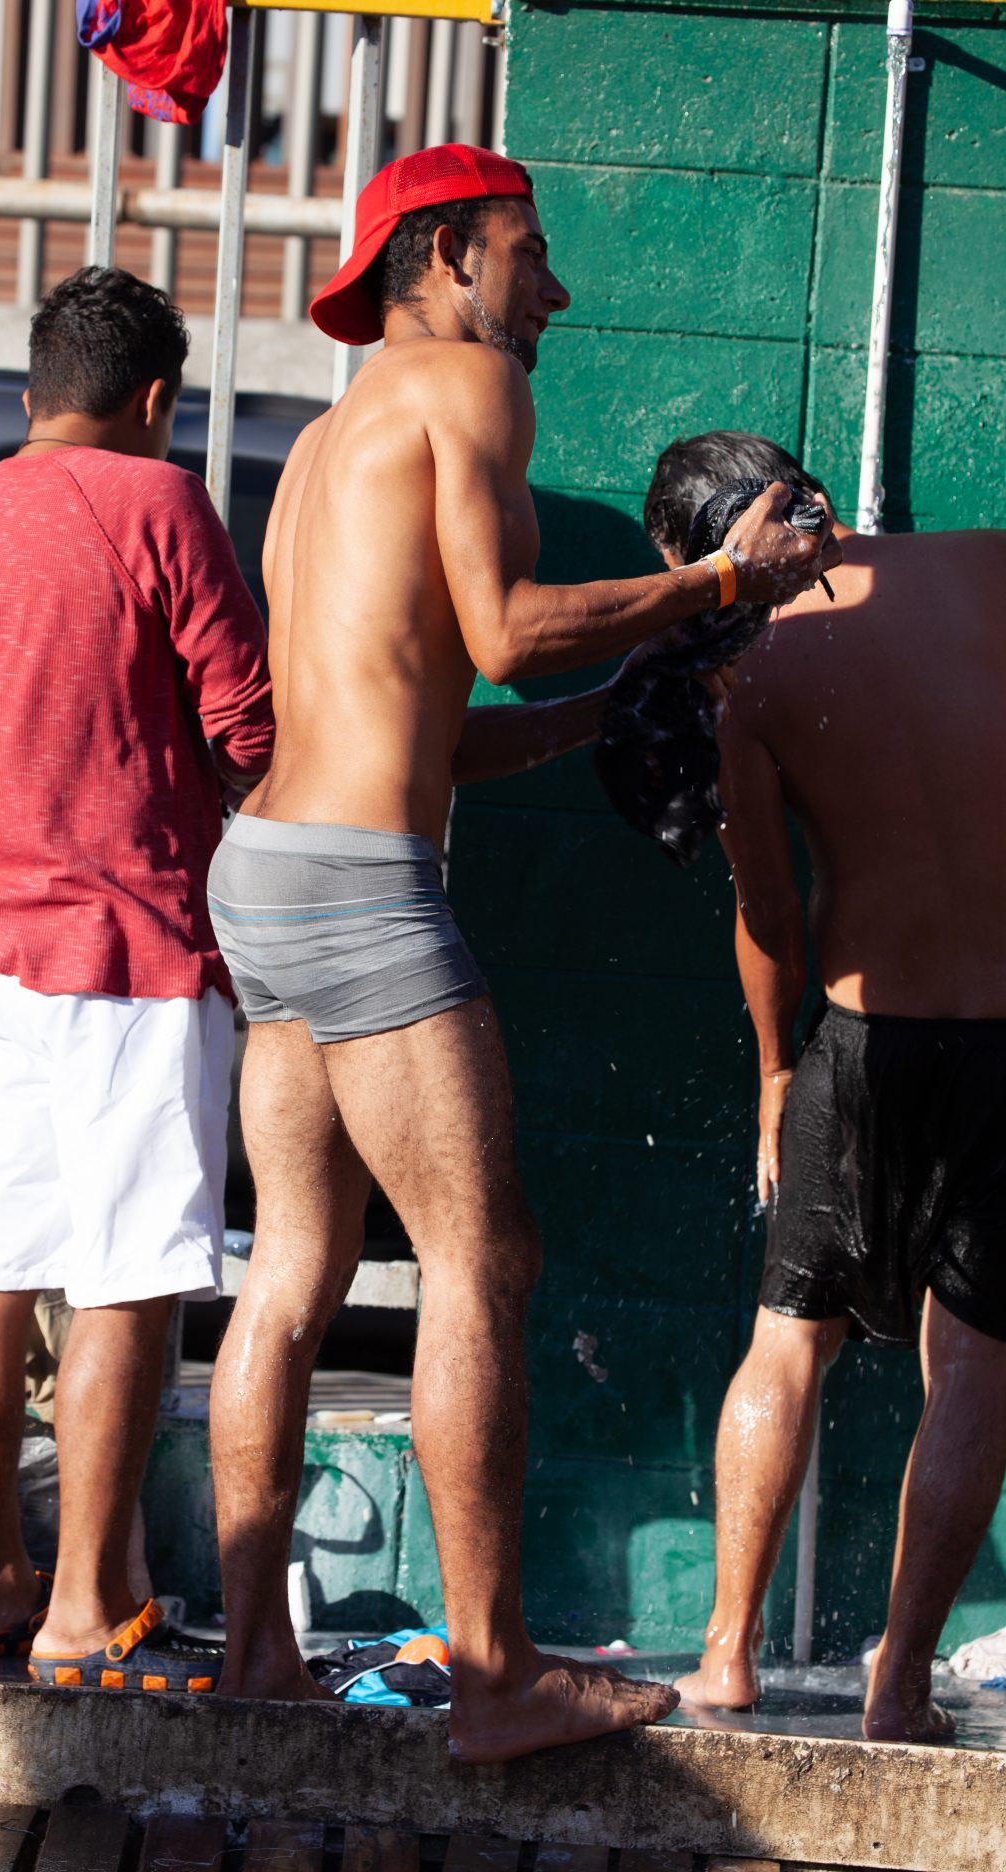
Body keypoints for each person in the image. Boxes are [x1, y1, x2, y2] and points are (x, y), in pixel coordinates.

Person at [204, 144, 837, 1764]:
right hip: (360, 892)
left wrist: (597, 713)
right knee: (486, 1261)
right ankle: (496, 1674)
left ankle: (258, 1655)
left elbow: (417, 727)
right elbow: (500, 628)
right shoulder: (470, 386)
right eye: (530, 250)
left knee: (291, 1269)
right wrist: (720, 578)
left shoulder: (330, 442)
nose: (554, 289)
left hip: (265, 873)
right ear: (448, 256)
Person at [0, 266, 274, 1687]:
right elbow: (249, 728)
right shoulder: (162, 503)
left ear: (32, 392)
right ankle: (80, 1611)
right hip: (131, 951)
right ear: (155, 400)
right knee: (129, 1279)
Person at [643, 428, 1006, 1742]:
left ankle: (725, 1653)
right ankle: (899, 1683)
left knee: (787, 1338)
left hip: (856, 1040)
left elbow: (770, 915)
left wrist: (774, 1071)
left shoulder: (750, 670)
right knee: (976, 1370)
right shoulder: (984, 566)